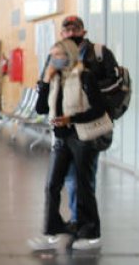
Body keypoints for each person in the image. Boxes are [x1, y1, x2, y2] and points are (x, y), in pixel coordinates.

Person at [28, 38, 109, 251]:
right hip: (61, 139)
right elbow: (41, 109)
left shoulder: (85, 76)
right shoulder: (55, 79)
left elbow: (99, 109)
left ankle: (91, 233)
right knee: (52, 185)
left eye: (59, 56)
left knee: (83, 186)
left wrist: (71, 119)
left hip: (82, 138)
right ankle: (52, 229)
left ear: (70, 55)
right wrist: (46, 80)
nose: (54, 60)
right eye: (52, 56)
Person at [58, 15, 117, 236]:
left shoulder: (99, 54)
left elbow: (112, 85)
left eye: (75, 29)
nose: (71, 33)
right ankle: (77, 219)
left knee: (84, 178)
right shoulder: (60, 56)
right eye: (66, 30)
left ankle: (87, 225)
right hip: (68, 127)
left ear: (84, 31)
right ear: (61, 34)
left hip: (91, 125)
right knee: (72, 178)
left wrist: (88, 83)